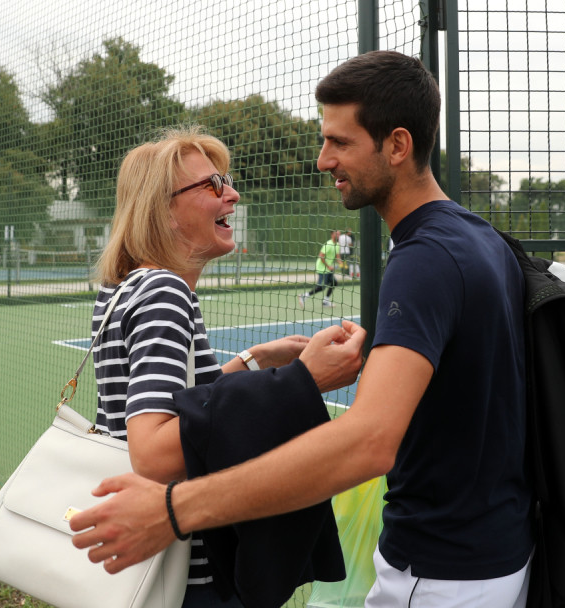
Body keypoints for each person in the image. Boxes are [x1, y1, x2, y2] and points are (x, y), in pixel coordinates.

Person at [71, 51, 533, 608]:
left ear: (397, 145)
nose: (321, 160)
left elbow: (367, 441)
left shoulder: (423, 260)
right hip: (491, 548)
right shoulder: (483, 239)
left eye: (339, 142)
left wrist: (177, 507)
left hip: (439, 567)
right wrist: (275, 373)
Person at [90, 126, 364, 607]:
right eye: (213, 185)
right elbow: (152, 453)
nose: (233, 194)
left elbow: (186, 409)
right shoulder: (165, 293)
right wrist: (301, 381)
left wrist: (255, 359)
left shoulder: (127, 287)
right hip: (185, 575)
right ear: (165, 211)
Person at [297, 229, 341, 308]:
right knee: (321, 287)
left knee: (334, 283)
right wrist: (329, 266)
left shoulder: (337, 245)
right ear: (332, 234)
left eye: (339, 234)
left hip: (328, 269)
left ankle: (325, 302)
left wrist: (342, 264)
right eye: (336, 234)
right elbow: (321, 256)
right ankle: (304, 296)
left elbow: (338, 257)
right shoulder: (328, 244)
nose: (338, 236)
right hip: (322, 268)